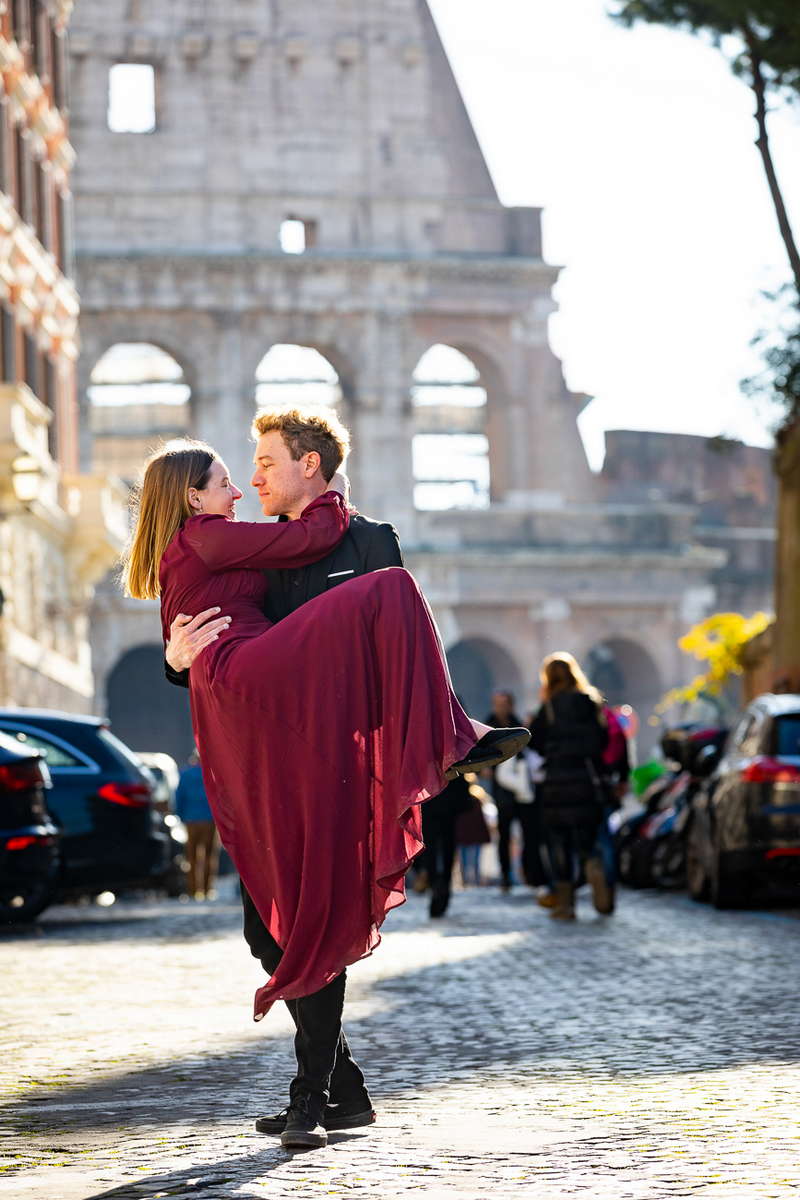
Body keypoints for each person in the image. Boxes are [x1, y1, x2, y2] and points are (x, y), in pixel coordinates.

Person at [123, 415, 529, 1150]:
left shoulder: (364, 540)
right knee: (268, 925)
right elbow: (195, 623)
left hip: (330, 746)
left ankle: (322, 1096)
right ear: (191, 498)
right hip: (261, 719)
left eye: (264, 465)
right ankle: (339, 1087)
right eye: (234, 474)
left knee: (317, 911)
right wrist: (174, 661)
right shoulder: (234, 538)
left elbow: (379, 638)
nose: (250, 481)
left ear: (308, 465)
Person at [529, 652, 610, 921]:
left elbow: (536, 742)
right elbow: (601, 741)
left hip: (556, 783)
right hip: (585, 779)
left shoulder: (549, 707)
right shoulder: (590, 702)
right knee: (586, 837)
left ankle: (566, 904)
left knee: (559, 843)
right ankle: (593, 867)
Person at [485, 690, 550, 897]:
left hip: (522, 790)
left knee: (528, 832)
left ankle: (531, 873)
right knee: (504, 835)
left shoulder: (518, 724)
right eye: (497, 703)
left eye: (503, 703)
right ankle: (505, 874)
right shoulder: (488, 724)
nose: (500, 707)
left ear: (511, 705)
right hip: (502, 790)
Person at [417, 774, 472, 917]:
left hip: (430, 800)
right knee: (446, 848)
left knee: (431, 849)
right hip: (446, 803)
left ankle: (436, 884)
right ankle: (442, 887)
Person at [174, 749, 219, 899]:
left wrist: (180, 815)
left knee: (191, 856)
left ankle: (193, 890)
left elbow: (179, 796)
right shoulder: (212, 773)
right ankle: (207, 889)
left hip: (191, 820)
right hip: (210, 819)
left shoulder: (185, 774)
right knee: (209, 856)